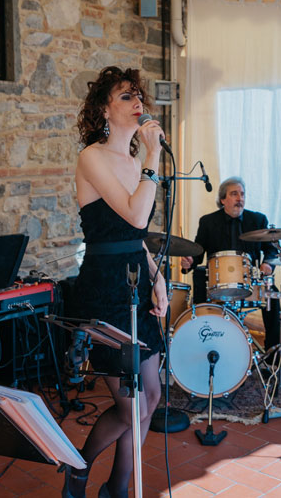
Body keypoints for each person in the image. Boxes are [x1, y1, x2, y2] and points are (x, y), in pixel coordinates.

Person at [66, 66, 168, 498]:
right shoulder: (92, 157)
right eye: (126, 96)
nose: (137, 101)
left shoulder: (135, 163)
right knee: (131, 406)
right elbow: (136, 216)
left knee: (151, 397)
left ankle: (117, 488)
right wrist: (153, 156)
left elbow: (136, 238)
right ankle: (78, 468)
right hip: (105, 288)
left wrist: (157, 276)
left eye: (138, 94)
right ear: (105, 110)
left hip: (136, 282)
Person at [180, 178, 281, 350]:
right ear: (222, 199)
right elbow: (199, 252)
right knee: (199, 277)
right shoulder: (208, 222)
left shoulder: (257, 220)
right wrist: (189, 262)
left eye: (242, 194)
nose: (240, 198)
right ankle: (202, 343)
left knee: (273, 294)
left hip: (250, 283)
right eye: (234, 194)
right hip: (217, 283)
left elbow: (272, 250)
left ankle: (273, 352)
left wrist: (268, 265)